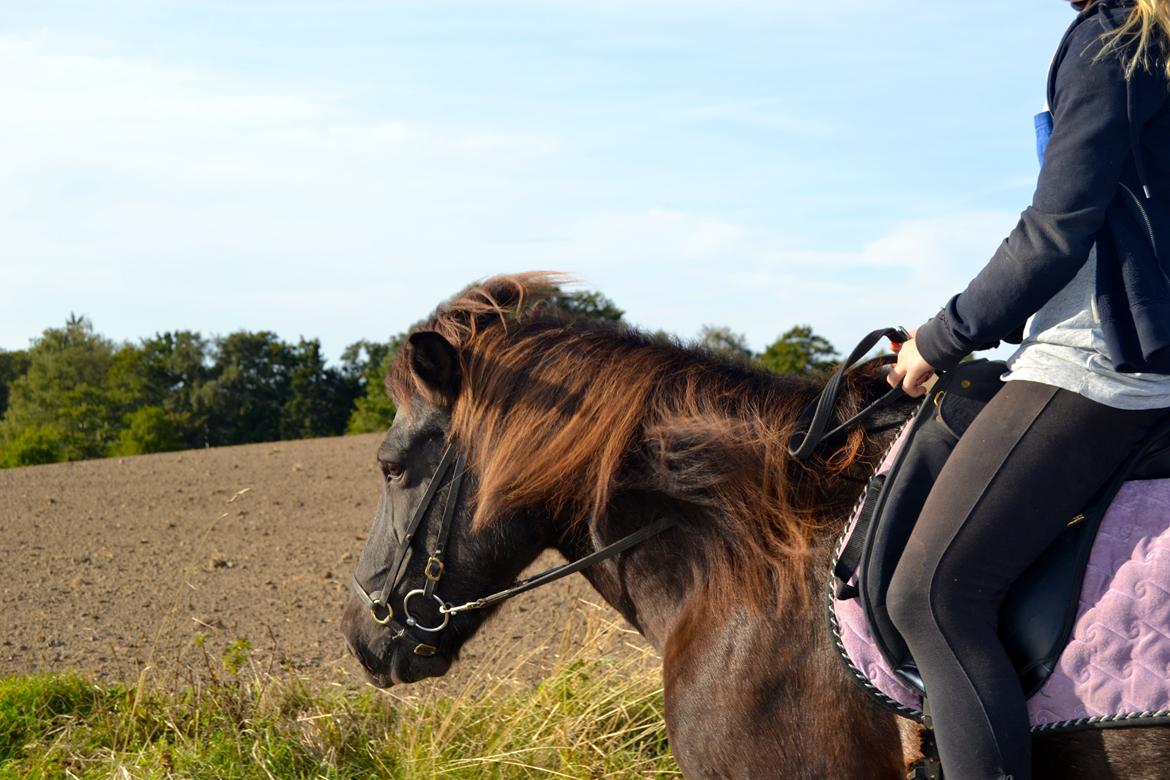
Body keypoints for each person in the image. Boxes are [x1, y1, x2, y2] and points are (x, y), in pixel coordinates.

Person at [883, 1, 1170, 778]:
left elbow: (1054, 230)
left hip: (1104, 364)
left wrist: (938, 341)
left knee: (933, 598)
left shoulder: (1116, 36)